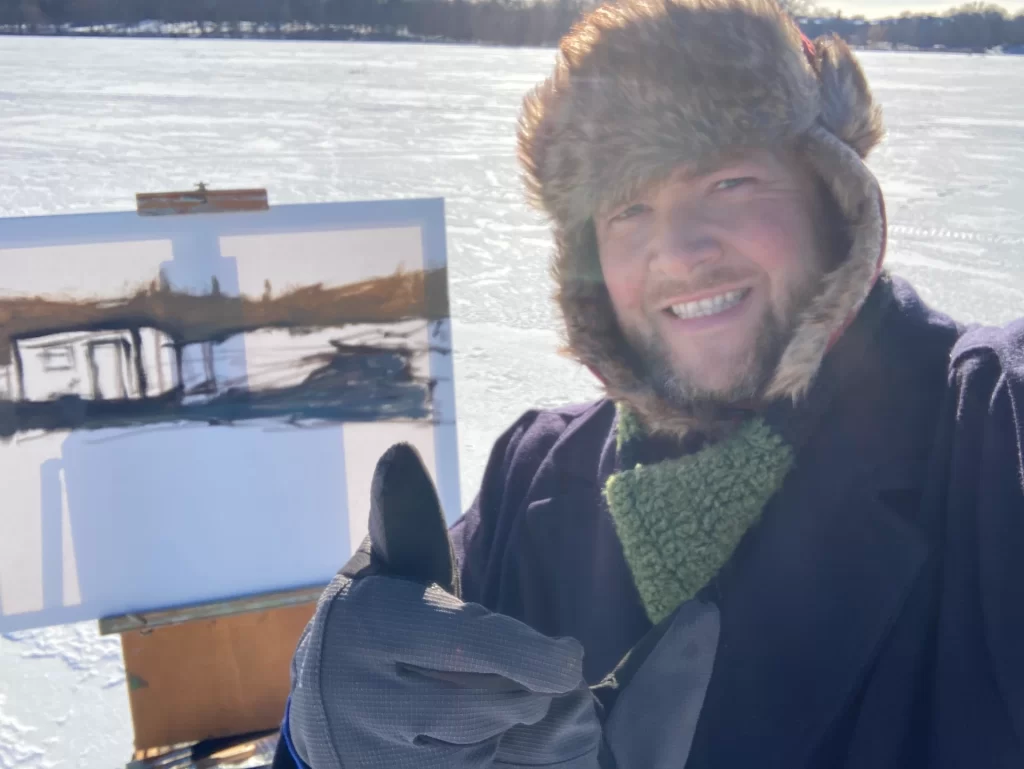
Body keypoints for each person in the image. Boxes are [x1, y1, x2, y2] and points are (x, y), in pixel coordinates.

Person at [274, 0, 1024, 766]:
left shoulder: (986, 436)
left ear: (832, 197)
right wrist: (315, 733)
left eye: (730, 181)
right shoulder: (532, 476)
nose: (678, 250)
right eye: (629, 206)